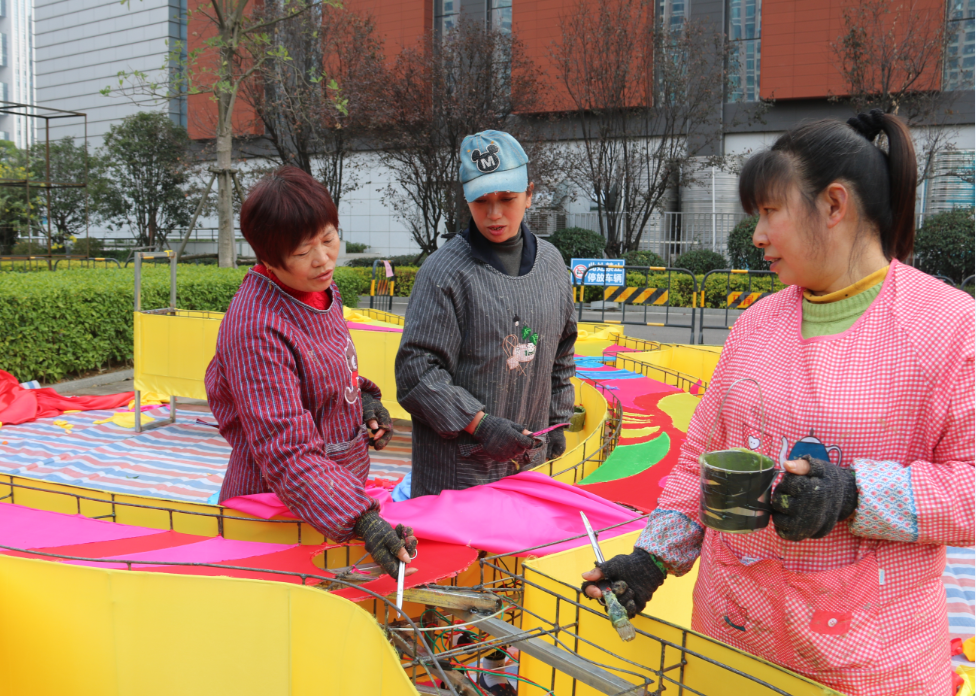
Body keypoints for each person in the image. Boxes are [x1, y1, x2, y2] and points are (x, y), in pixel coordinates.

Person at [582, 111, 974, 695]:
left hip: (866, 659)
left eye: (770, 212)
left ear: (834, 206)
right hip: (735, 640)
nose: (757, 235)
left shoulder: (947, 329)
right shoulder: (756, 325)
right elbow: (700, 463)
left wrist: (854, 494)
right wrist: (652, 558)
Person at [205, 166, 416, 580]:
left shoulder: (322, 290)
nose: (323, 259)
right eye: (303, 252)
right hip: (277, 507)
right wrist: (362, 519)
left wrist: (364, 402)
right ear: (267, 257)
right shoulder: (256, 327)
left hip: (334, 494)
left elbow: (333, 363)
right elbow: (287, 449)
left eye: (329, 238)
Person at [395, 130, 578, 498]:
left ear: (529, 195)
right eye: (481, 201)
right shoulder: (445, 272)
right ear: (466, 200)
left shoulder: (553, 265)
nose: (494, 214)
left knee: (512, 554)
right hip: (456, 471)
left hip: (526, 464)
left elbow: (561, 350)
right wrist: (479, 424)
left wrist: (557, 420)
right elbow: (417, 371)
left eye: (507, 199)